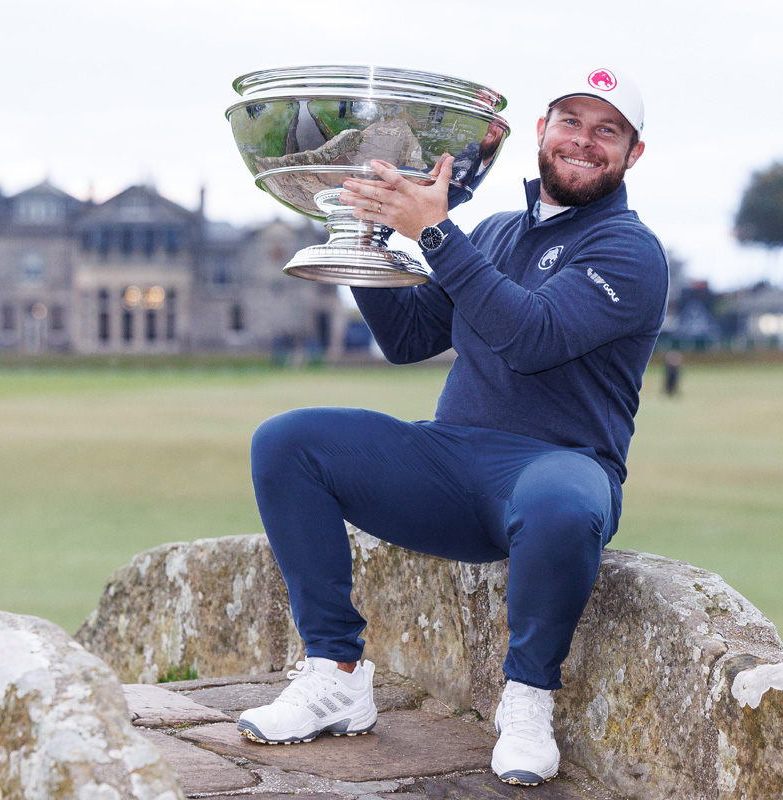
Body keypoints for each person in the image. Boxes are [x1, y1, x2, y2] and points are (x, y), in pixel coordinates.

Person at [241, 67, 668, 786]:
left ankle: (528, 700)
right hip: (449, 465)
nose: (585, 142)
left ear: (632, 154)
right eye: (571, 121)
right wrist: (367, 231)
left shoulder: (630, 251)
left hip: (556, 472)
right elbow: (408, 338)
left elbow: (531, 335)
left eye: (608, 131)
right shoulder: (498, 232)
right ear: (542, 133)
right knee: (287, 442)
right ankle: (335, 674)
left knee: (560, 502)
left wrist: (436, 232)